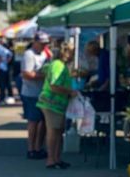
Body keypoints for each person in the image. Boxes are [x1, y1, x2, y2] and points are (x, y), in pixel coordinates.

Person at [38, 43, 77, 170]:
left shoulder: (59, 65)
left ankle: (56, 158)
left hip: (57, 103)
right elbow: (54, 85)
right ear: (66, 52)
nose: (73, 55)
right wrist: (70, 92)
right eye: (72, 52)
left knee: (58, 131)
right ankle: (51, 159)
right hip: (52, 103)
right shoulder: (58, 65)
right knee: (53, 131)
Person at [22, 32, 50, 160]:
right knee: (33, 121)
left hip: (42, 92)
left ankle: (39, 147)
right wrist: (44, 76)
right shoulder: (29, 54)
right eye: (42, 43)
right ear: (35, 42)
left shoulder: (45, 53)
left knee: (43, 122)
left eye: (45, 44)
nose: (44, 46)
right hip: (31, 93)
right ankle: (31, 148)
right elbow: (27, 74)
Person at [0, 38, 14, 104]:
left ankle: (3, 98)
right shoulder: (5, 49)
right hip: (5, 68)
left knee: (3, 84)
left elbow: (9, 56)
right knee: (7, 84)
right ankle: (8, 97)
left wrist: (2, 60)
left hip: (2, 68)